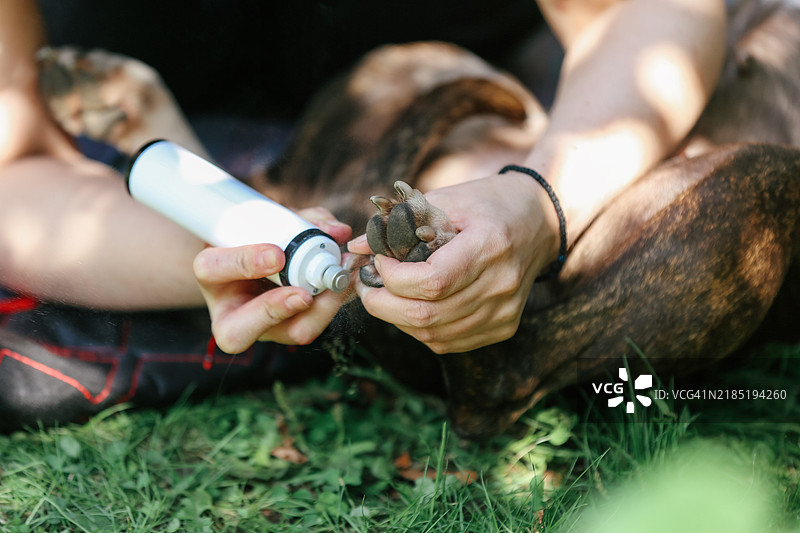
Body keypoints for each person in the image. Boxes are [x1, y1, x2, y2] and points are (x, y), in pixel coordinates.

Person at [0, 0, 726, 427]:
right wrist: (229, 257)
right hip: (247, 149)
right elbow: (12, 168)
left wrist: (541, 199)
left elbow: (649, 17)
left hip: (511, 94)